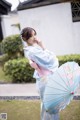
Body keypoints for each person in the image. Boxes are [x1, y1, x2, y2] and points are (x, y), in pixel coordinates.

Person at [20, 27, 60, 120]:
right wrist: (43, 46)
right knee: (51, 104)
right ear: (26, 38)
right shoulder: (33, 50)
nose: (34, 37)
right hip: (46, 80)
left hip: (43, 79)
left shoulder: (31, 49)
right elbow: (51, 60)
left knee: (47, 104)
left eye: (35, 34)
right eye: (31, 36)